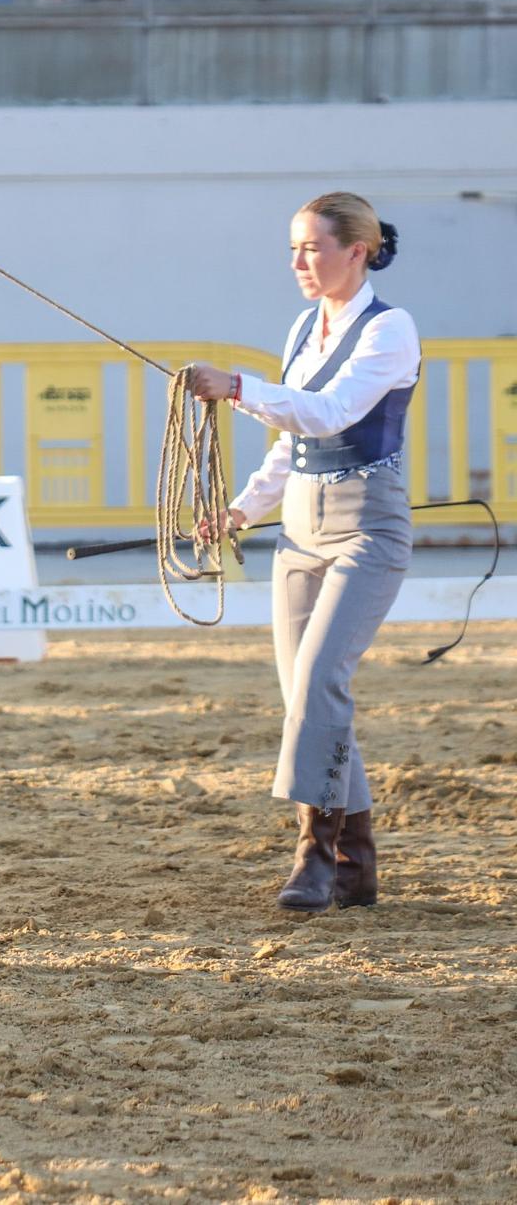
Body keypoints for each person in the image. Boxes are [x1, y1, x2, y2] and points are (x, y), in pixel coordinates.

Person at [186, 193, 417, 913]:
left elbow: (329, 413)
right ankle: (357, 866)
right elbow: (294, 442)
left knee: (319, 679)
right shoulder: (302, 327)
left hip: (367, 528)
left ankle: (314, 855)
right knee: (309, 699)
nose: (298, 263)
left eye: (312, 248)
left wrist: (237, 388)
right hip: (298, 529)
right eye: (293, 249)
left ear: (358, 250)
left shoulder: (391, 329)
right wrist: (242, 509)